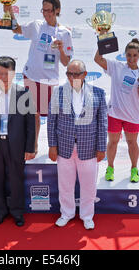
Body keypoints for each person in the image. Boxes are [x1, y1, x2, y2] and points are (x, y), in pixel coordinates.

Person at [3, 0, 73, 153]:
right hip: (32, 76)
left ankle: (53, 147)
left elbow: (66, 62)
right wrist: (9, 12)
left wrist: (61, 49)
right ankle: (32, 146)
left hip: (49, 80)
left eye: (49, 10)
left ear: (57, 10)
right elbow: (17, 29)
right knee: (33, 114)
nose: (46, 14)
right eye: (44, 10)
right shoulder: (36, 25)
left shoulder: (65, 33)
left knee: (52, 117)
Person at [47, 60, 107, 230]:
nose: (72, 77)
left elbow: (102, 123)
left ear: (85, 74)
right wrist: (52, 145)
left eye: (76, 74)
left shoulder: (99, 94)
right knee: (65, 185)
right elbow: (51, 121)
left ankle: (87, 216)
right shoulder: (58, 92)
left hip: (89, 148)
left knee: (89, 185)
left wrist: (101, 147)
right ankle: (66, 213)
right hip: (64, 148)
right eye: (69, 74)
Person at [0, 56, 36, 227]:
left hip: (16, 144)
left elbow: (30, 124)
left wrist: (29, 147)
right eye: (0, 73)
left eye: (6, 73)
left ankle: (17, 212)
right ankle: (0, 211)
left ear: (13, 73)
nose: (3, 77)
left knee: (17, 180)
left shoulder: (24, 93)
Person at [94, 38, 139, 183]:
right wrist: (103, 39)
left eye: (134, 55)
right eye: (129, 55)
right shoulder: (116, 67)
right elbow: (97, 58)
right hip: (115, 113)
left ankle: (134, 169)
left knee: (132, 143)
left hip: (133, 115)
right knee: (112, 142)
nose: (131, 58)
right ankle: (110, 168)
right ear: (125, 55)